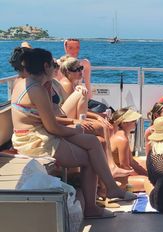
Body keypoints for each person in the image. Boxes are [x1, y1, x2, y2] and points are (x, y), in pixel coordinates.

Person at [9, 48, 136, 219]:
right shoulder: (36, 89)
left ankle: (111, 188)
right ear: (45, 66)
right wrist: (75, 128)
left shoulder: (24, 82)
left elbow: (49, 123)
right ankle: (93, 206)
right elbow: (52, 127)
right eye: (53, 65)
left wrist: (75, 126)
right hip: (35, 140)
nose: (56, 67)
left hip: (36, 133)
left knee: (92, 142)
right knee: (90, 157)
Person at [109, 107, 150, 191]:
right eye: (133, 120)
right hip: (116, 178)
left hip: (117, 175)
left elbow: (131, 162)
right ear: (124, 123)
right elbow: (125, 167)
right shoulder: (122, 139)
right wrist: (144, 176)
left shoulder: (121, 136)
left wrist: (147, 174)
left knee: (147, 168)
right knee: (148, 182)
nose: (135, 123)